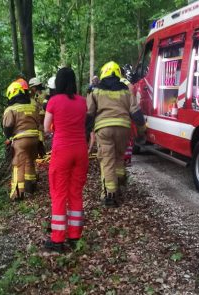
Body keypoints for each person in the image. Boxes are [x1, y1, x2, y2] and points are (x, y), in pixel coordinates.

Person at [87, 61, 146, 208]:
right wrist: (142, 130)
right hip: (123, 129)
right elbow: (136, 114)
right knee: (119, 157)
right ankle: (119, 184)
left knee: (107, 160)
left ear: (103, 73)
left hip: (104, 129)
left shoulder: (96, 92)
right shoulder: (126, 91)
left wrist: (85, 134)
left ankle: (109, 195)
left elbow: (89, 114)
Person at [43, 67, 89, 252]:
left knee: (59, 193)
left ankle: (57, 240)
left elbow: (47, 127)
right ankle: (75, 236)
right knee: (75, 192)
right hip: (81, 151)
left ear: (59, 83)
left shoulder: (53, 101)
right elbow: (84, 123)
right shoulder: (82, 102)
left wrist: (58, 127)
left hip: (62, 151)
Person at [3, 80, 41, 200]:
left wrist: (9, 137)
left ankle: (17, 193)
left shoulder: (10, 109)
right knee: (30, 160)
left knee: (18, 165)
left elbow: (7, 127)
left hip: (20, 141)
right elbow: (39, 121)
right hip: (35, 138)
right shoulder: (33, 105)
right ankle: (31, 185)